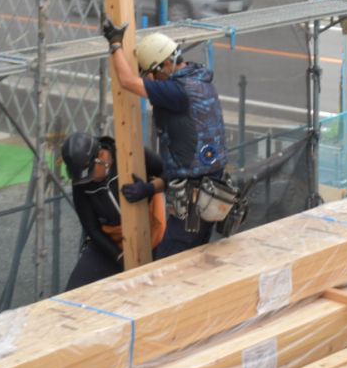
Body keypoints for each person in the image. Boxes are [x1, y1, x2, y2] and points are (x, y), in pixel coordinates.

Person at [102, 21, 230, 257]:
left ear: (164, 65)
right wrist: (151, 188)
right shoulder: (200, 83)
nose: (152, 79)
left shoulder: (177, 91)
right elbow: (189, 164)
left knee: (167, 265)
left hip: (194, 206)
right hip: (210, 195)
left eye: (151, 73)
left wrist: (115, 44)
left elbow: (128, 82)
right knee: (194, 260)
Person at [60, 130, 166, 289]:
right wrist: (119, 257)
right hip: (112, 242)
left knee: (160, 285)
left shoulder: (131, 153)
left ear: (102, 157)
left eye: (89, 174)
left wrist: (149, 189)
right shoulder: (81, 185)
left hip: (154, 232)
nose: (87, 181)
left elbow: (170, 175)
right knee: (76, 288)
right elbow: (92, 229)